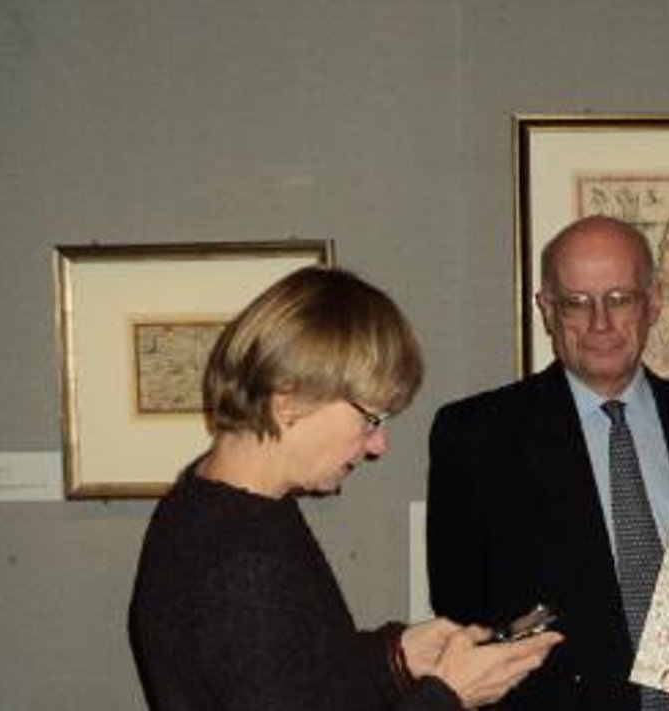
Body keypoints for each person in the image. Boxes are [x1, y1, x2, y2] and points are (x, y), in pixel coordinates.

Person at [128, 266, 561, 711]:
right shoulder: (243, 563)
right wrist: (447, 696)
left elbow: (291, 677)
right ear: (289, 400)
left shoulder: (217, 504)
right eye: (370, 419)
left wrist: (396, 658)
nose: (378, 445)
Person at [426, 215, 669, 711]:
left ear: (654, 302)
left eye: (620, 299)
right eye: (577, 303)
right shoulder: (476, 436)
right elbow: (462, 612)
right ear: (547, 309)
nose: (600, 323)